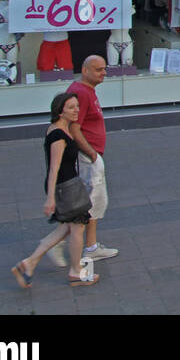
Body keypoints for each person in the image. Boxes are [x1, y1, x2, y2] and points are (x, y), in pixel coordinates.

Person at [10, 93, 99, 288]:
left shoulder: (62, 130)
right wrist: (50, 198)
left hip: (67, 186)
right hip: (65, 188)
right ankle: (76, 272)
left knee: (65, 229)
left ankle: (28, 263)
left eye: (77, 106)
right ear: (60, 111)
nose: (76, 110)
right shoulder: (58, 135)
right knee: (77, 228)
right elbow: (54, 168)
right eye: (71, 107)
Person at [48, 55, 119, 267]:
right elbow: (74, 128)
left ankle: (90, 246)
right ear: (85, 70)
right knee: (88, 204)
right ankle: (59, 245)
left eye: (105, 69)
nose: (103, 73)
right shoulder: (81, 93)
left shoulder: (85, 91)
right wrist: (92, 153)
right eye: (98, 69)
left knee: (94, 202)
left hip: (91, 155)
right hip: (89, 156)